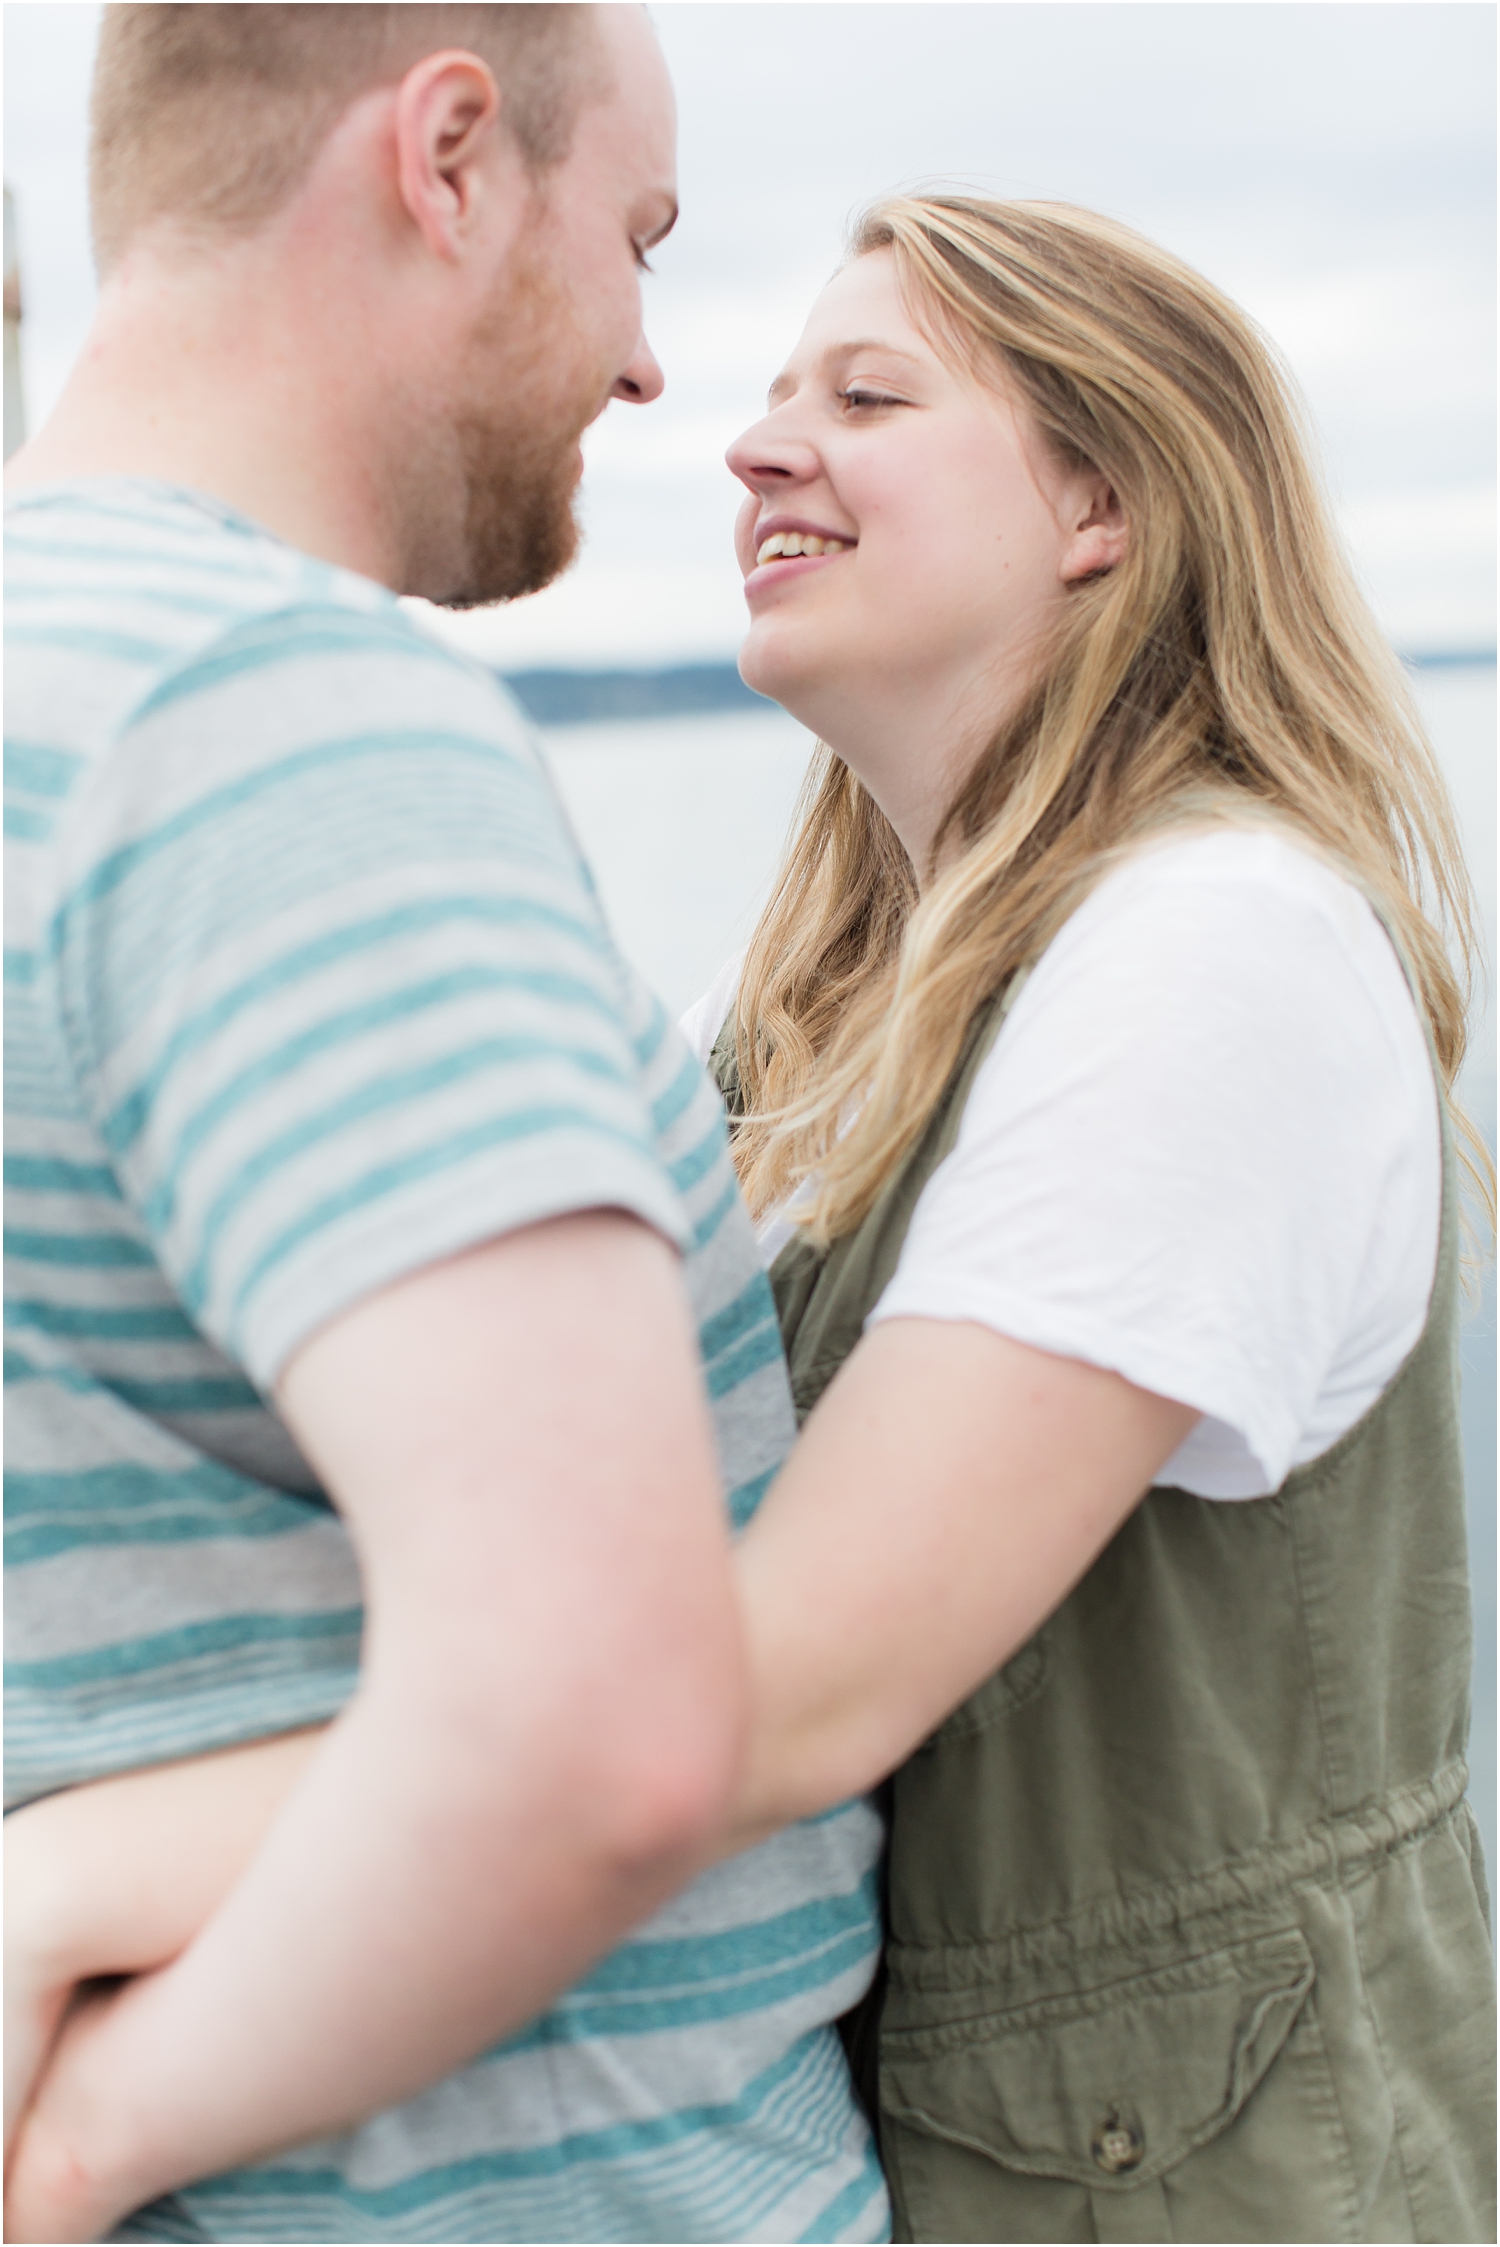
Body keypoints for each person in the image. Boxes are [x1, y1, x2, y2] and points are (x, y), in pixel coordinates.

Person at [10, 186, 1494, 2242]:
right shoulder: (786, 1026)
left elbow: (778, 1685)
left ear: (1105, 507)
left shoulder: (1216, 945)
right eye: (777, 386)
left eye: (868, 394)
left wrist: (76, 1884)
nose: (749, 439)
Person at [2, 9, 887, 2242]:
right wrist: (87, 2146)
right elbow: (604, 1727)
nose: (651, 364)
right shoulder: (277, 721)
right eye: (641, 238)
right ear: (453, 157)